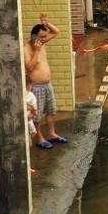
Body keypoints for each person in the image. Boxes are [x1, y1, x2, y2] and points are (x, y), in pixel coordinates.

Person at [26, 14, 64, 148]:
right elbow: (29, 67)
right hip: (37, 87)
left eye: (44, 36)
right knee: (37, 115)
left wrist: (46, 24)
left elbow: (56, 32)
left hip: (48, 84)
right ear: (33, 36)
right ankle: (40, 138)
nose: (44, 39)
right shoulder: (27, 49)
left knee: (51, 110)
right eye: (41, 37)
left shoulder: (41, 43)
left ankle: (52, 133)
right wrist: (36, 51)